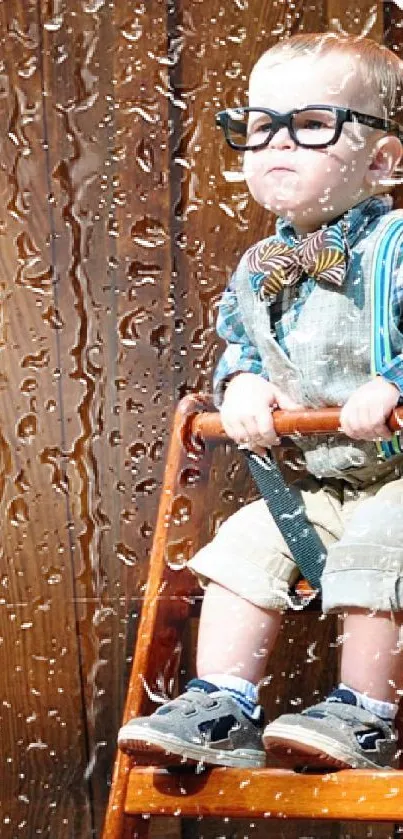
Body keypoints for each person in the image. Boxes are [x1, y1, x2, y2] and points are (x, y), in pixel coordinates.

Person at [118, 32, 403, 771]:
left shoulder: (395, 246)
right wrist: (243, 386)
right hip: (320, 478)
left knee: (383, 531)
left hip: (398, 476)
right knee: (244, 543)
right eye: (258, 125)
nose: (277, 142)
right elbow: (244, 346)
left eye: (310, 125)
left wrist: (395, 381)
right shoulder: (259, 267)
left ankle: (365, 713)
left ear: (380, 161)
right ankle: (222, 700)